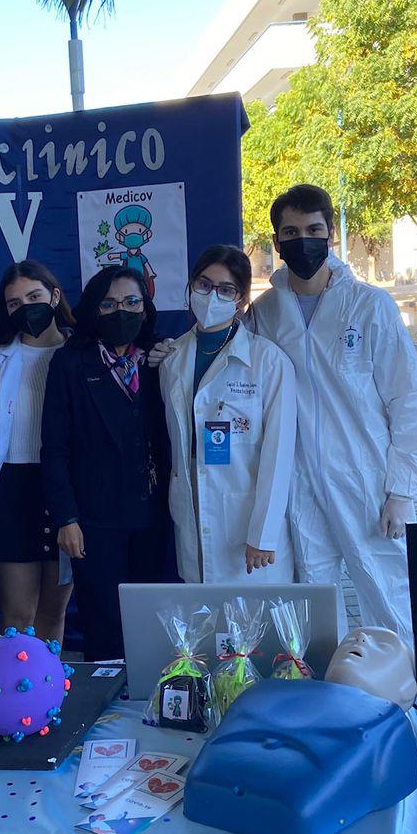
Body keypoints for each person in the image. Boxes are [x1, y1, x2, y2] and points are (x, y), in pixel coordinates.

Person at [251, 184, 417, 638]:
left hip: (365, 480)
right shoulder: (266, 313)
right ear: (277, 242)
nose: (303, 241)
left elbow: (409, 401)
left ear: (331, 233)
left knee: (389, 599)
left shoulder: (370, 306)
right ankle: (335, 700)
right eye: (290, 232)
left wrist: (402, 490)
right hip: (300, 483)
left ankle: (407, 700)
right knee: (317, 604)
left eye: (314, 229)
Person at [40, 266, 171, 659]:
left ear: (146, 308)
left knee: (153, 621)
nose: (121, 312)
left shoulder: (163, 359)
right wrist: (66, 518)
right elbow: (55, 448)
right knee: (104, 623)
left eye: (132, 302)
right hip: (94, 520)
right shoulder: (70, 363)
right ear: (93, 311)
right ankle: (106, 712)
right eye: (109, 304)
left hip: (155, 516)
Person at [159, 245, 297, 583]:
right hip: (192, 521)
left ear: (242, 300)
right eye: (204, 285)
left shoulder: (268, 362)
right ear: (191, 287)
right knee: (206, 627)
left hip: (247, 530)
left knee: (256, 630)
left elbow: (278, 456)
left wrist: (263, 534)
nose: (212, 296)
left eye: (226, 289)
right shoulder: (172, 358)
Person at [0, 261, 75, 642]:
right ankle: (14, 696)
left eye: (34, 297)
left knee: (54, 613)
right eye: (15, 304)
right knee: (18, 616)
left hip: (62, 490)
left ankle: (52, 691)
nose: (26, 308)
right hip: (11, 491)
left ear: (54, 295)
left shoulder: (81, 353)